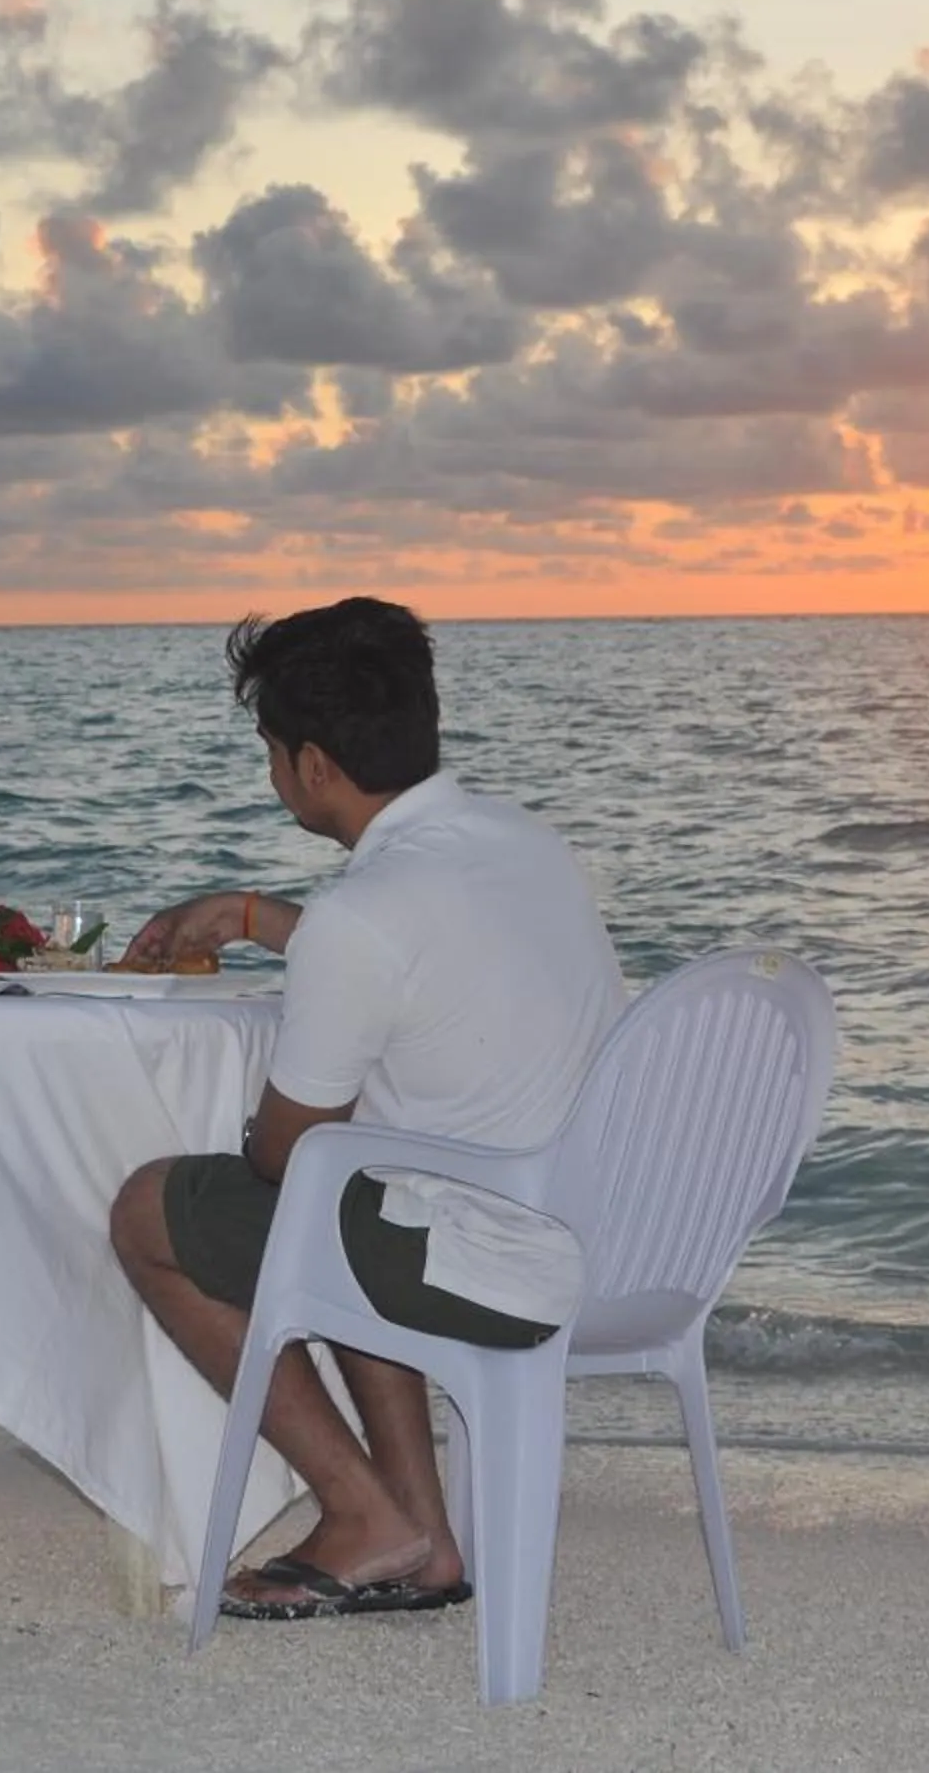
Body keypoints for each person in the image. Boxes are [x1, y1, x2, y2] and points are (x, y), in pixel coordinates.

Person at [109, 598, 625, 1619]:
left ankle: (361, 1513)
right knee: (363, 1196)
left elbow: (287, 1156)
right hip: (606, 1231)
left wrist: (258, 1129)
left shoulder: (361, 922)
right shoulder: (522, 842)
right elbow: (435, 961)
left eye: (269, 751)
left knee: (158, 1211)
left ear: (309, 767)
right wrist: (259, 918)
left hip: (496, 1263)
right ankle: (422, 1538)